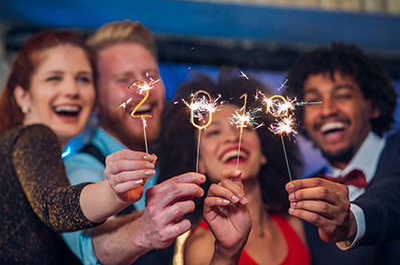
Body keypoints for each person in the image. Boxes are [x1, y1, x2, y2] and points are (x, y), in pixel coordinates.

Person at [0, 30, 158, 264]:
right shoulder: (33, 136)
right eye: (54, 78)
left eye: (83, 79)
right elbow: (54, 206)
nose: (72, 90)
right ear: (23, 96)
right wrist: (114, 191)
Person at [61, 20, 206, 264]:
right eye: (123, 80)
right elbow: (93, 244)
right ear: (94, 99)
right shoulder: (79, 168)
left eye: (150, 77)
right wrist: (144, 229)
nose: (143, 91)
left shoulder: (174, 160)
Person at [157, 70, 311, 265]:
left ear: (264, 152)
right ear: (199, 162)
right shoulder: (202, 245)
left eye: (243, 127)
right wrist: (226, 253)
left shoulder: (294, 224)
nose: (232, 138)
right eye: (213, 133)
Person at [283, 42, 400, 264]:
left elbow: (393, 194)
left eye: (343, 95)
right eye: (313, 101)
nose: (327, 110)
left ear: (372, 106)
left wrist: (352, 221)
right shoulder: (298, 195)